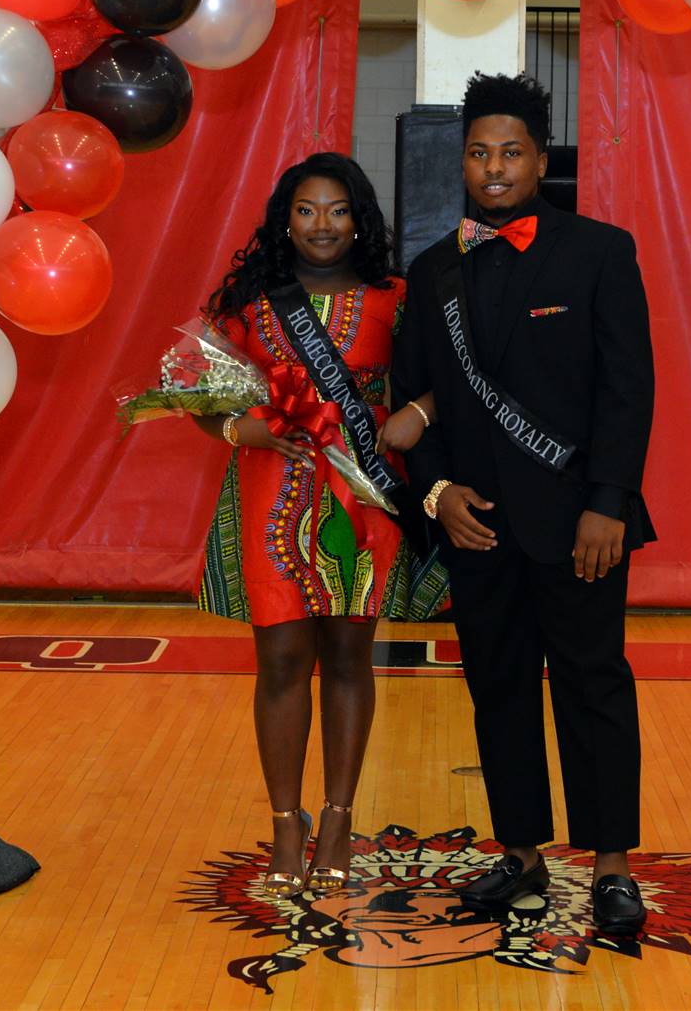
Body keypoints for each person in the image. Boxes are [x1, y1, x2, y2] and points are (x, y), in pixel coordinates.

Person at [387, 72, 657, 936]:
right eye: (478, 152)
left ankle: (612, 866)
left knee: (594, 686)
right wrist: (435, 492)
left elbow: (628, 389)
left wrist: (608, 501)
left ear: (542, 157)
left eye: (511, 152)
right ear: (459, 161)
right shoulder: (432, 271)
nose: (494, 168)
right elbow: (413, 400)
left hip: (581, 525)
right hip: (477, 527)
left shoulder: (599, 252)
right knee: (497, 689)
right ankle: (522, 855)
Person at [194, 152, 447, 896]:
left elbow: (437, 380)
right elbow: (202, 396)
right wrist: (239, 429)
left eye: (338, 210)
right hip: (272, 494)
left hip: (361, 498)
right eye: (306, 210)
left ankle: (338, 815)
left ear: (359, 217)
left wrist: (416, 413)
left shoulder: (394, 298)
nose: (322, 225)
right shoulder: (249, 303)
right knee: (278, 663)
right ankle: (285, 820)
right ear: (284, 219)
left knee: (347, 659)